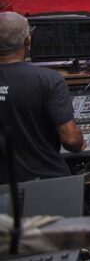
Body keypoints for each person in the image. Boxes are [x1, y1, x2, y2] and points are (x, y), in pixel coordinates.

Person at [0, 12, 84, 183]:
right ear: (27, 41)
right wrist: (80, 142)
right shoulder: (49, 80)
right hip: (46, 181)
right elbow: (71, 140)